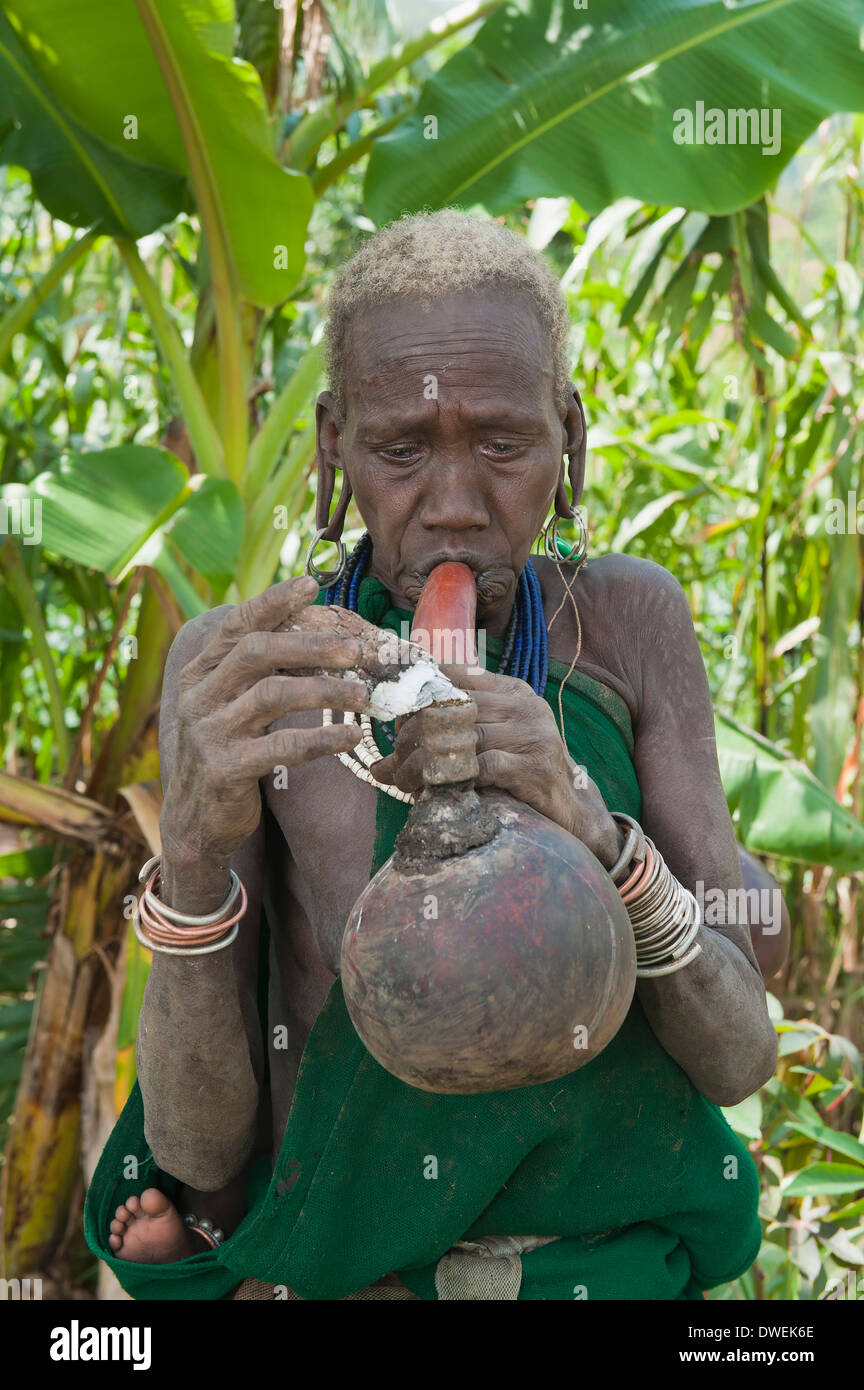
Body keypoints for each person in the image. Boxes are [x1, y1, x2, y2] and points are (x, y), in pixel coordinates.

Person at [85, 210, 779, 1300]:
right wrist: (189, 856)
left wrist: (594, 827)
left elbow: (740, 1050)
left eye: (503, 445)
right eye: (402, 451)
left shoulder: (630, 626)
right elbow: (198, 1150)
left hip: (604, 1273)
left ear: (572, 441)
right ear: (330, 450)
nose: (454, 504)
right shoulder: (246, 673)